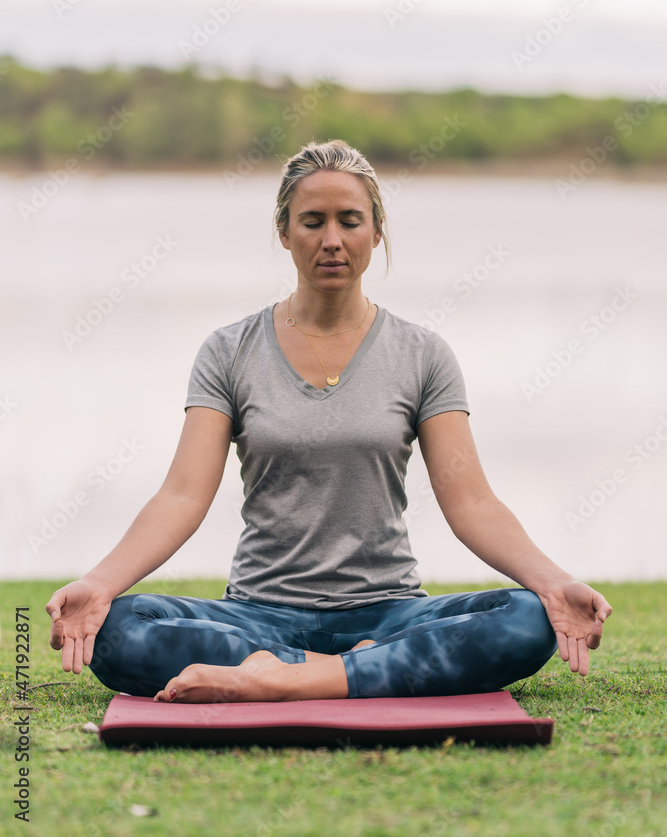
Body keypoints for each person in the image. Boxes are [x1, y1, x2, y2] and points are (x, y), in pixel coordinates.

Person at [47, 139, 611, 705]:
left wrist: (552, 581)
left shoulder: (422, 355)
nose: (332, 240)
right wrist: (99, 583)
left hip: (390, 615)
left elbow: (472, 504)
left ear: (377, 231)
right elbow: (181, 496)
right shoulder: (228, 351)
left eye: (350, 221)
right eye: (312, 221)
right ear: (284, 231)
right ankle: (349, 673)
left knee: (524, 619)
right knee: (120, 627)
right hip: (256, 619)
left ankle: (280, 679)